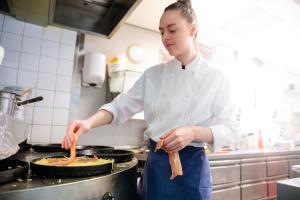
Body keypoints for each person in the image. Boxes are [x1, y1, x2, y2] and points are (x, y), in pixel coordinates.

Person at [62, 0, 241, 199]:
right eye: (161, 31)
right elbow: (120, 106)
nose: (165, 37)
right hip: (156, 167)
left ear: (192, 29)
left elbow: (232, 131)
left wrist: (193, 132)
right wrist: (88, 122)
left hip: (191, 171)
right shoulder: (153, 75)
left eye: (172, 30)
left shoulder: (216, 77)